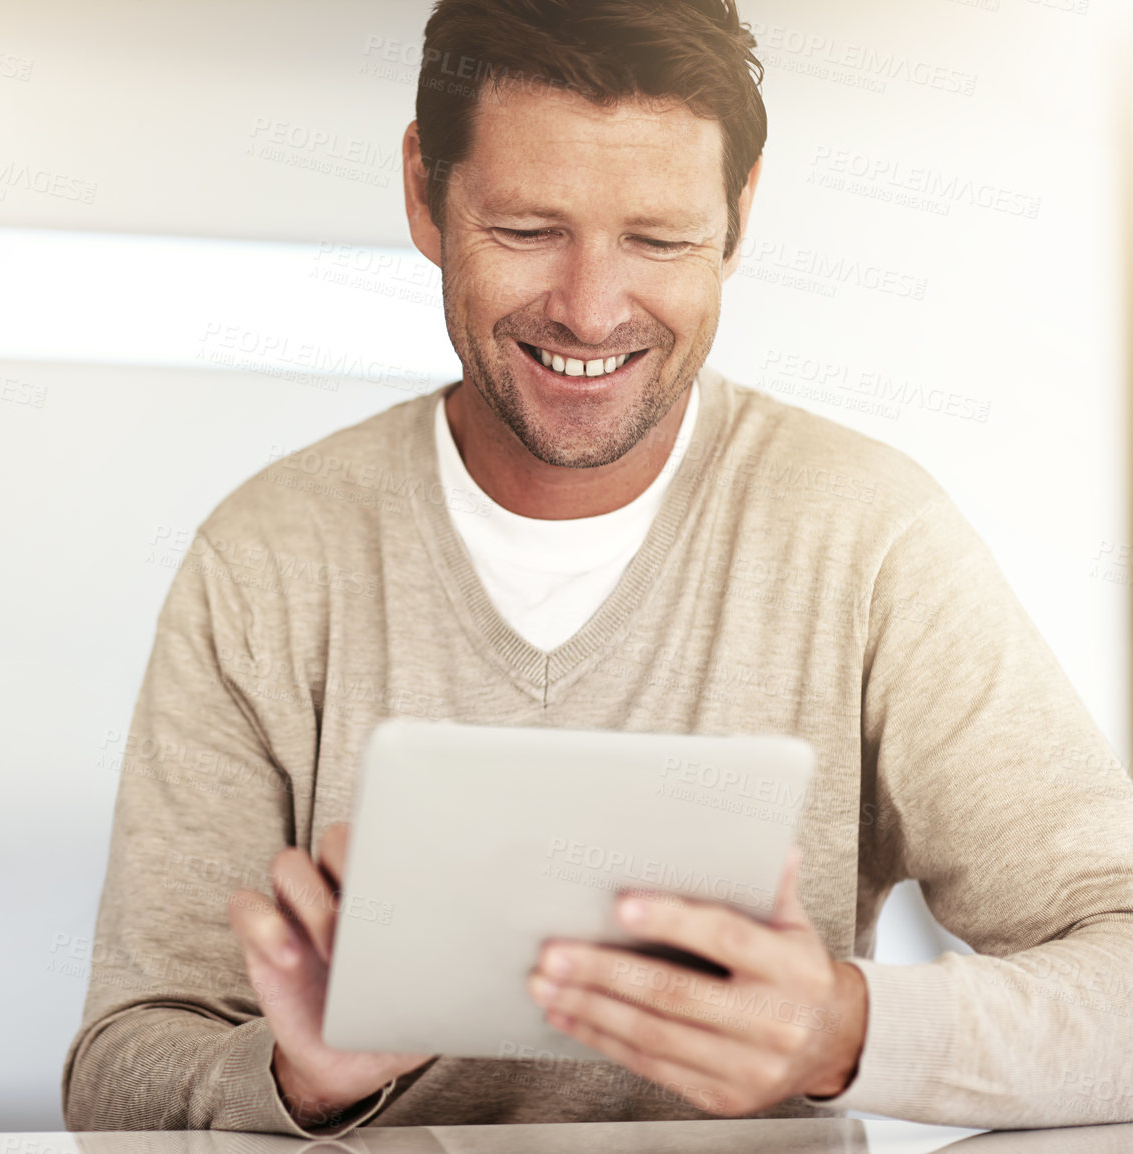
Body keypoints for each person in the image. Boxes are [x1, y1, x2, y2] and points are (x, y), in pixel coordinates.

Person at [62, 0, 1133, 1137]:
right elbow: (120, 1061)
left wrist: (842, 1029)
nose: (591, 308)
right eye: (527, 228)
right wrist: (297, 1075)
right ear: (425, 192)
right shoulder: (271, 554)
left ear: (740, 212)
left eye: (659, 240)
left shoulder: (866, 537)